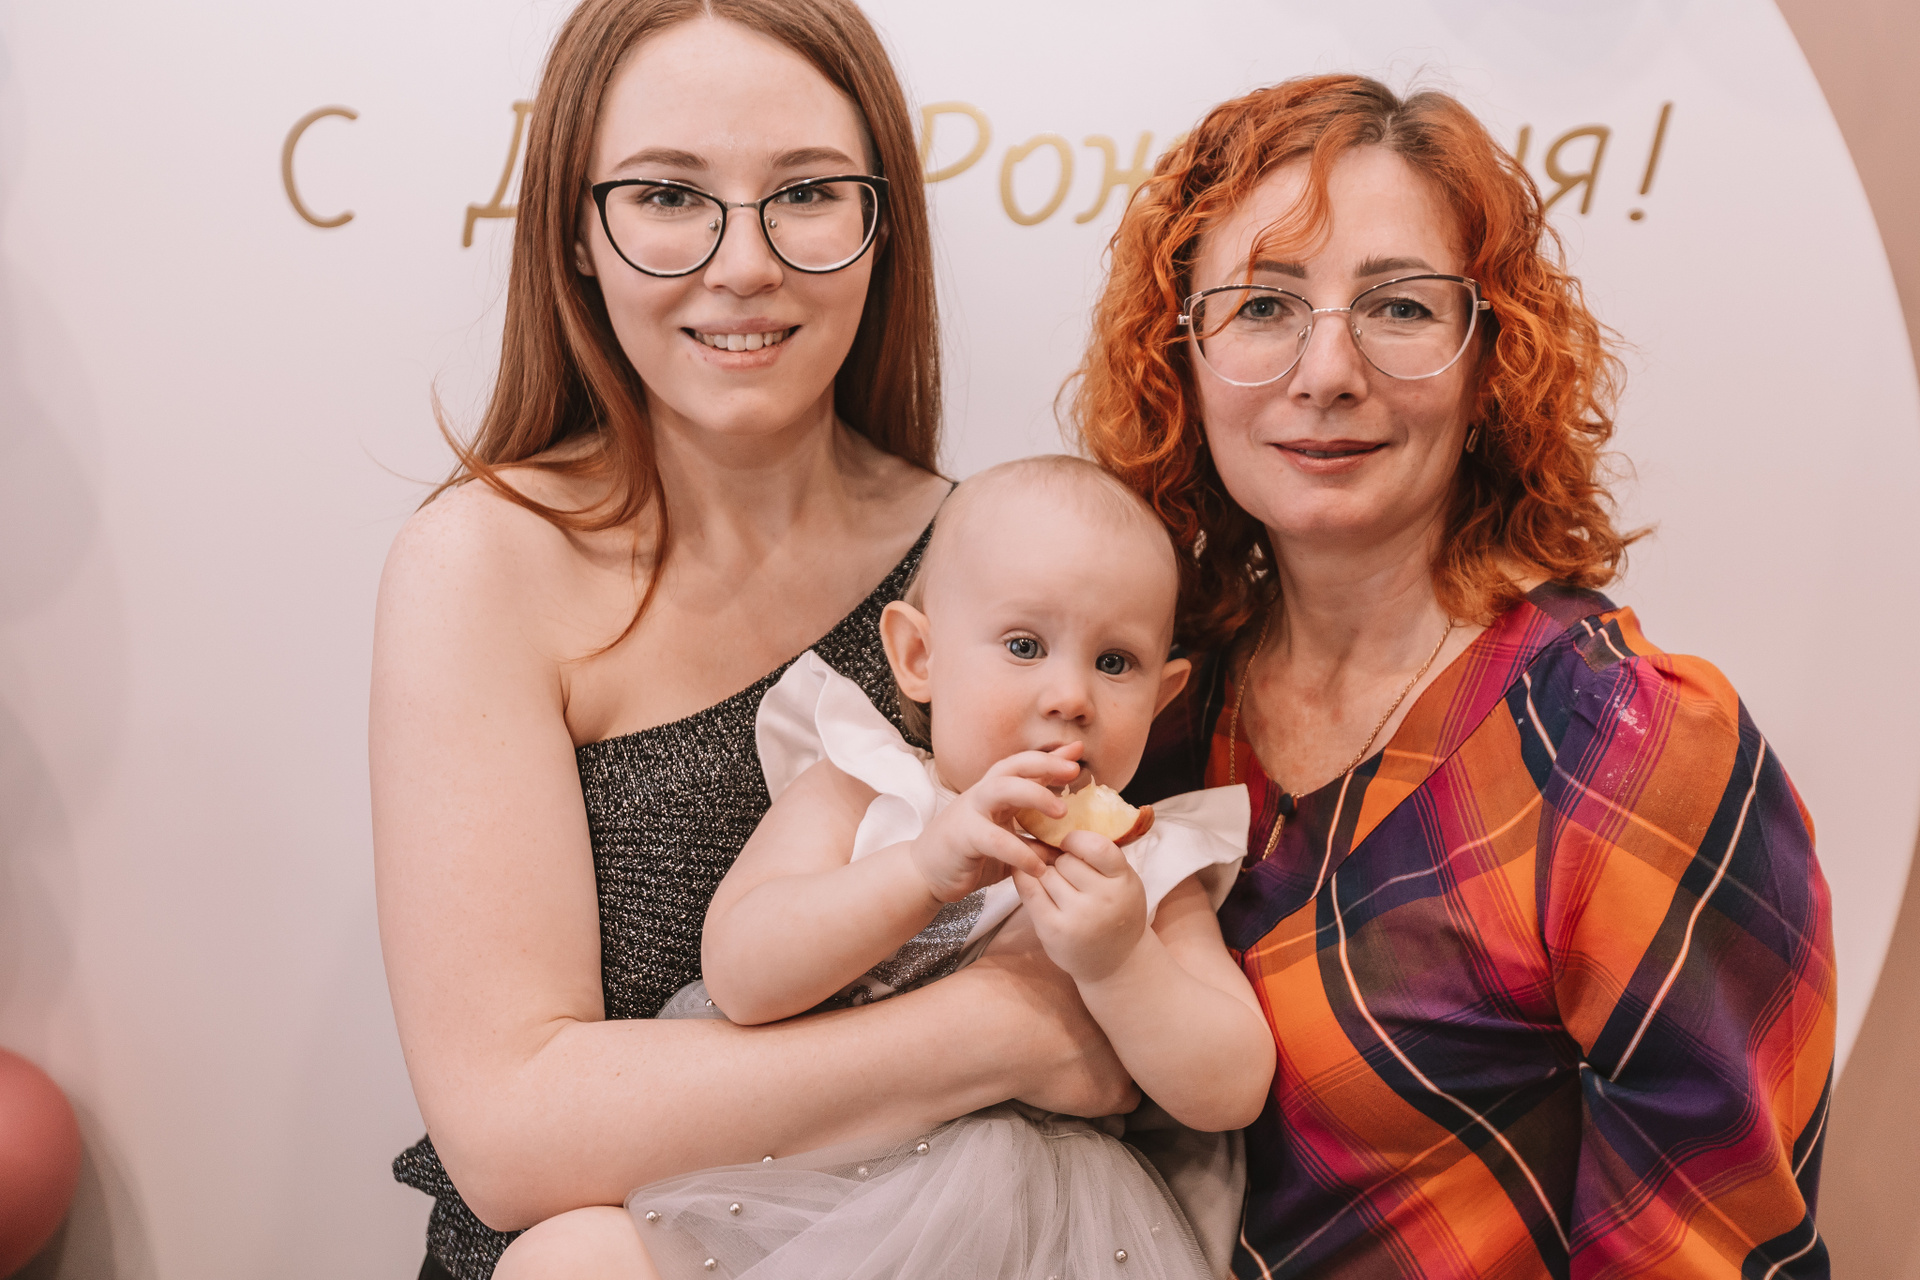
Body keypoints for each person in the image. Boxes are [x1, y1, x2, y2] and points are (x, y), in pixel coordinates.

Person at [371, 6, 1138, 1278]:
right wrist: (1005, 1032)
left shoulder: (993, 574)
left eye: (808, 194)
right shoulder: (485, 561)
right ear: (576, 231)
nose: (743, 264)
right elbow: (509, 1133)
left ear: (882, 225)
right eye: (670, 195)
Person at [1077, 74, 1837, 1279]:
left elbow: (1708, 1246)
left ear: (1493, 362)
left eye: (1400, 306)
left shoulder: (1628, 744)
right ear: (1183, 354)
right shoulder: (1144, 714)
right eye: (1264, 304)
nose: (1328, 370)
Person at [496, 456, 1273, 1279]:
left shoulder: (1146, 862)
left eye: (1115, 663)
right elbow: (741, 973)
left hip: (1025, 1229)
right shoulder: (864, 787)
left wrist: (1121, 963)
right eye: (1024, 645)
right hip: (802, 1182)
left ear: (1163, 696)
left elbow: (1232, 1087)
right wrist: (919, 871)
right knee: (564, 1260)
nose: (1071, 696)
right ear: (918, 656)